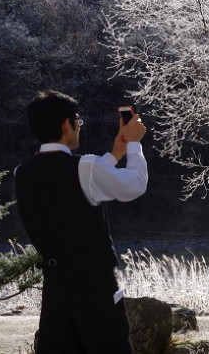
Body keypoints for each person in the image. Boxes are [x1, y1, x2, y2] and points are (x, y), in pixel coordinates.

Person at [14, 90, 148, 353]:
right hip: (94, 286)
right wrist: (133, 144)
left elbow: (67, 189)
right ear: (66, 124)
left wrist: (113, 156)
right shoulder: (85, 167)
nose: (79, 126)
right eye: (77, 120)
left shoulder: (22, 172)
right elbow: (135, 185)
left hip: (56, 287)